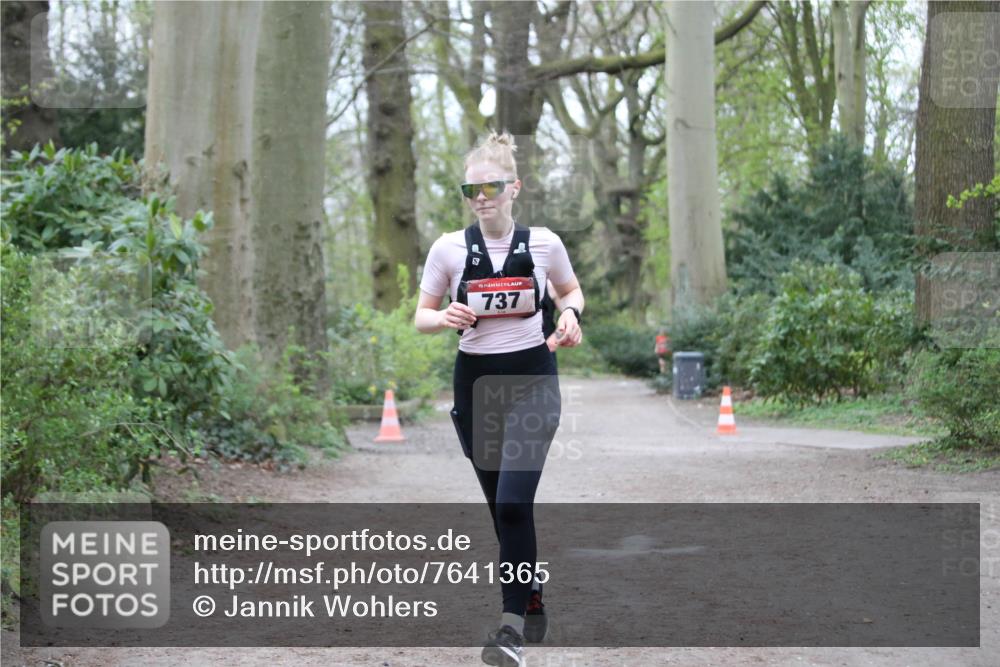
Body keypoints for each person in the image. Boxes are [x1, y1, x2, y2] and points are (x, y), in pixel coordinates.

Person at [414, 131, 584, 667]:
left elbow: (569, 290)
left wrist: (571, 313)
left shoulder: (544, 244)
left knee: (513, 502)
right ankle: (529, 595)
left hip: (534, 380)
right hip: (476, 386)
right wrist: (442, 317)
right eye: (471, 189)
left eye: (491, 186)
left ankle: (509, 630)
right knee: (503, 511)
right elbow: (420, 315)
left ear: (514, 187)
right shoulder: (447, 248)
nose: (481, 196)